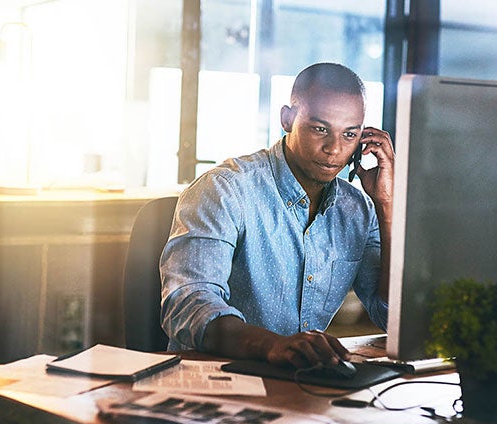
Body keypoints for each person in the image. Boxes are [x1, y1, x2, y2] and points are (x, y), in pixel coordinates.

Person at [160, 62, 394, 368]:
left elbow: (391, 316)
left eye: (349, 134)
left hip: (299, 386)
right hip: (214, 380)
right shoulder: (226, 190)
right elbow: (189, 304)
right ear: (287, 118)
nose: (334, 149)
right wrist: (274, 346)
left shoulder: (358, 210)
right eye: (320, 129)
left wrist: (386, 206)